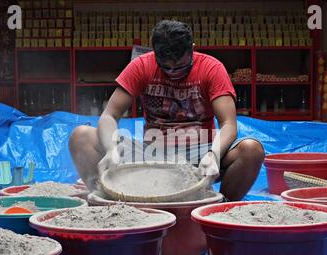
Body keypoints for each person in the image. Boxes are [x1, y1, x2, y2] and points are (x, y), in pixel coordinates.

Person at [69, 20, 264, 201]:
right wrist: (111, 150)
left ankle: (219, 205)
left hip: (200, 154)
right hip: (151, 152)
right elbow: (110, 115)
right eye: (166, 67)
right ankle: (108, 198)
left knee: (251, 150)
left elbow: (229, 123)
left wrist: (213, 154)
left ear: (192, 50)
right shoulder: (142, 66)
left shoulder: (211, 68)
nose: (172, 72)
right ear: (155, 54)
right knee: (81, 136)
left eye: (180, 66)